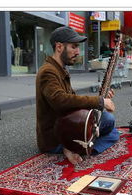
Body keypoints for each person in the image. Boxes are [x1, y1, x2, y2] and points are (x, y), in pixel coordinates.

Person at [36, 26, 120, 165]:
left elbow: (71, 100)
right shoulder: (48, 72)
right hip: (55, 137)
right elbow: (60, 100)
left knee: (111, 128)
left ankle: (78, 145)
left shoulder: (59, 69)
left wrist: (103, 97)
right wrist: (99, 102)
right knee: (109, 122)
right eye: (73, 47)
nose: (77, 51)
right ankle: (74, 147)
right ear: (59, 47)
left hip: (67, 125)